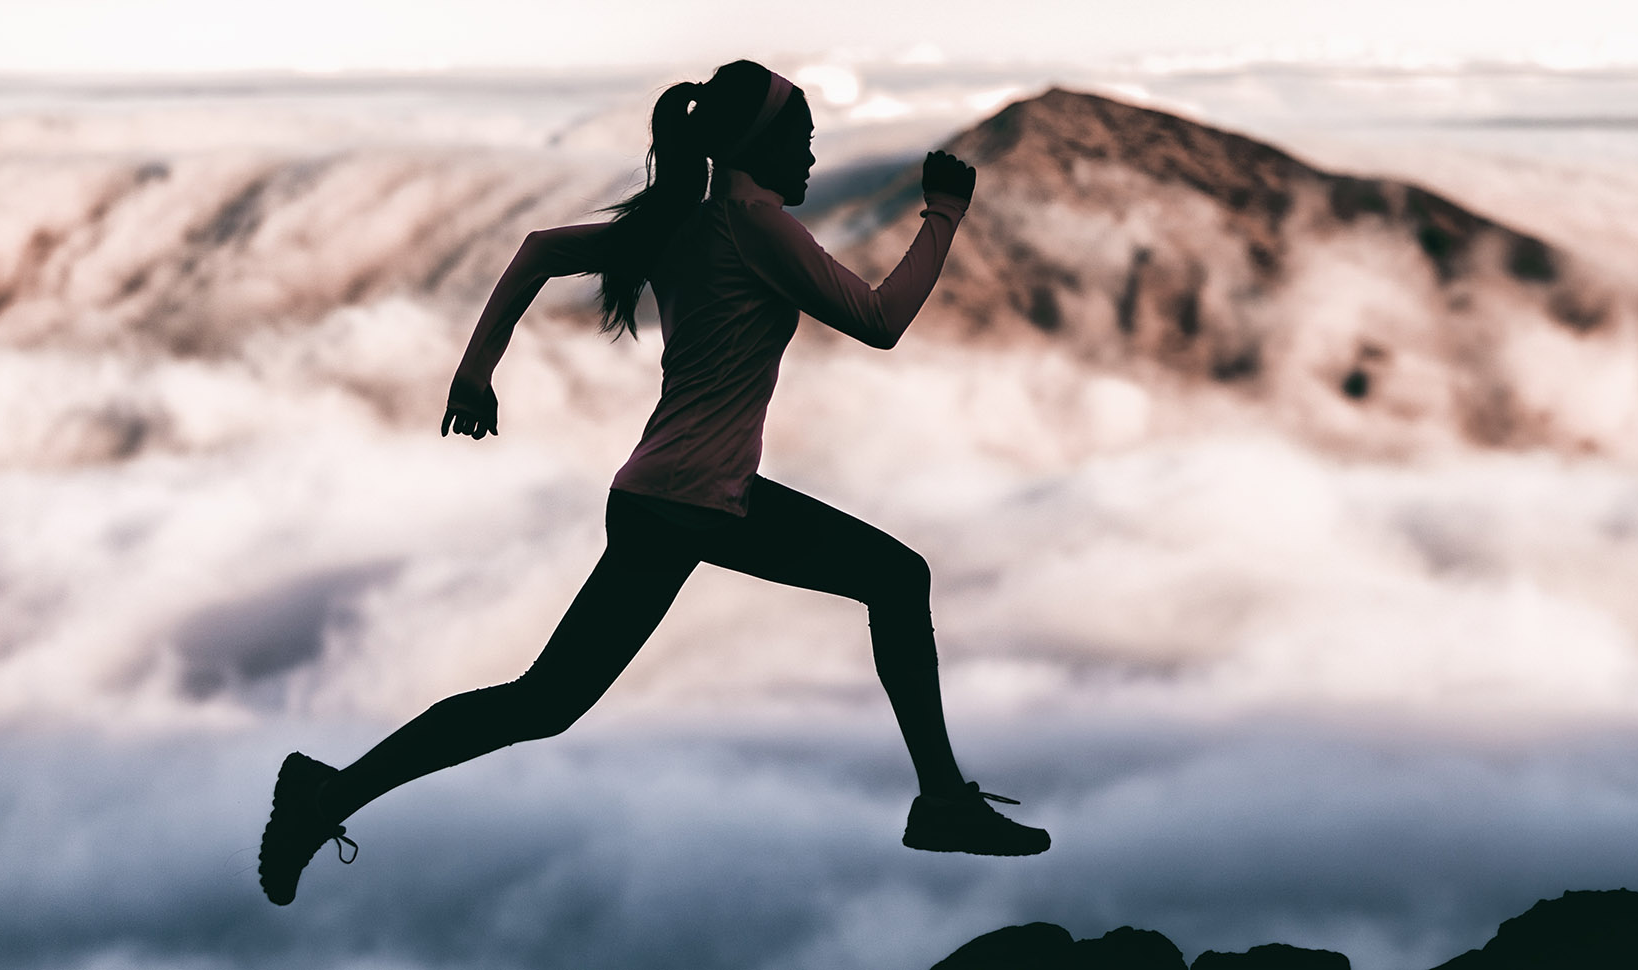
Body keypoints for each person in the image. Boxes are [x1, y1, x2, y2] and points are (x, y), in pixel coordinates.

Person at [255, 59, 1048, 907]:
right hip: (696, 504)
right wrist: (943, 214)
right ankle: (941, 803)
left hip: (668, 499)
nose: (814, 159)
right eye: (804, 142)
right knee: (896, 579)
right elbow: (881, 321)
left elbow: (536, 253)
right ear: (762, 147)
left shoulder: (681, 223)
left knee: (540, 702)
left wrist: (477, 370)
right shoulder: (755, 225)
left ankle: (324, 796)